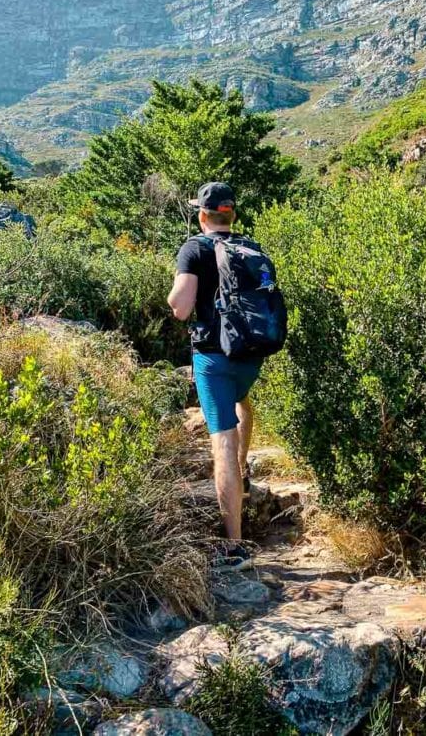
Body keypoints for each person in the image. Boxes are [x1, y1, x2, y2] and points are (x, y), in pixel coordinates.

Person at [167, 182, 260, 570]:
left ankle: (235, 546)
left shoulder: (194, 248)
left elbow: (181, 308)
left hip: (212, 357)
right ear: (232, 215)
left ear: (203, 216)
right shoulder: (252, 247)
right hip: (251, 356)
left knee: (220, 438)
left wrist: (174, 294)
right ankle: (243, 473)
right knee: (243, 404)